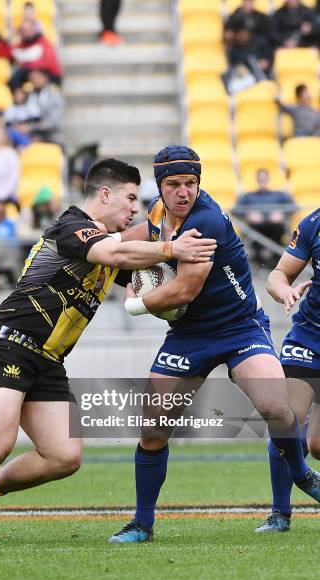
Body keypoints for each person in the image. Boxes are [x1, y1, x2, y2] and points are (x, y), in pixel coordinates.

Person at [0, 158, 217, 547]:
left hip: (48, 360)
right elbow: (120, 255)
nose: (133, 209)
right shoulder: (71, 226)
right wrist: (173, 248)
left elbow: (134, 276)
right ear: (104, 193)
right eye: (129, 198)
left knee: (63, 457)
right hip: (6, 344)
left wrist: (165, 291)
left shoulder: (111, 241)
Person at [108, 145, 320, 544]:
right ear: (161, 186)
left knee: (277, 405)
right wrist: (105, 247)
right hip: (190, 336)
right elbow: (136, 239)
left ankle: (301, 473)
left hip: (240, 327)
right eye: (174, 184)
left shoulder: (205, 219)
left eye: (190, 183)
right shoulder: (157, 212)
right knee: (153, 429)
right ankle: (142, 523)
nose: (183, 192)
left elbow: (184, 290)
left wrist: (134, 302)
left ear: (199, 184)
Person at [255, 209, 320, 532]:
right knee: (285, 418)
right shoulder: (313, 224)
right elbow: (276, 276)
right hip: (308, 334)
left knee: (318, 445)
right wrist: (286, 291)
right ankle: (280, 513)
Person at [232, 168, 298, 264]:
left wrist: (282, 214)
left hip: (276, 227)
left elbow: (294, 207)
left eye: (265, 179)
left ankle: (276, 262)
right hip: (255, 228)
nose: (262, 182)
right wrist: (248, 214)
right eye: (260, 180)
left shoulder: (280, 195)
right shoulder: (248, 196)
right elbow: (235, 210)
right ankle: (259, 263)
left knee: (278, 232)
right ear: (257, 180)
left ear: (269, 179)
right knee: (254, 237)